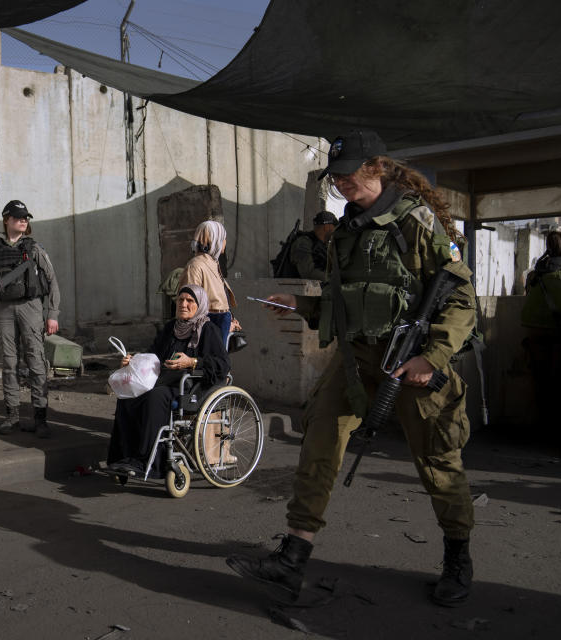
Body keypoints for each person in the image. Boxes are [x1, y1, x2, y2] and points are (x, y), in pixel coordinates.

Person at [227, 130, 478, 607]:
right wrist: (300, 303)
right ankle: (292, 558)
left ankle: (458, 557)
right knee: (318, 442)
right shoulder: (346, 229)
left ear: (376, 168)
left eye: (348, 175)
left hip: (412, 361)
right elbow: (345, 304)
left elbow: (461, 298)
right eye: (335, 177)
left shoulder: (416, 222)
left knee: (437, 461)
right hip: (356, 359)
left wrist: (434, 357)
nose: (341, 184)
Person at [107, 284, 230, 477]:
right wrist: (133, 360)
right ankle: (124, 458)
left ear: (200, 305)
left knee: (155, 397)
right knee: (127, 397)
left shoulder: (207, 329)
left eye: (190, 301)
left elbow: (222, 365)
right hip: (163, 381)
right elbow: (152, 355)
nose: (183, 304)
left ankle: (145, 460)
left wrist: (191, 361)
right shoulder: (170, 328)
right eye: (180, 300)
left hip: (192, 387)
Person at [0, 200, 61, 437]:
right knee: (9, 363)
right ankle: (12, 417)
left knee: (36, 362)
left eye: (26, 217)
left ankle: (40, 418)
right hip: (3, 309)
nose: (23, 220)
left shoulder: (33, 248)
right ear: (6, 219)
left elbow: (52, 280)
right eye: (18, 217)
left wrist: (53, 314)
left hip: (30, 308)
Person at [520, 228, 561, 444]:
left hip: (532, 331)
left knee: (539, 382)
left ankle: (541, 429)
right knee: (556, 384)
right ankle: (554, 432)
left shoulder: (536, 272)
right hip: (555, 334)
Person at [178, 220, 241, 345]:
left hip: (219, 323)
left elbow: (218, 297)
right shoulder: (196, 265)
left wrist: (230, 320)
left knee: (220, 362)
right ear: (214, 240)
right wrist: (214, 327)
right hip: (208, 325)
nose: (225, 242)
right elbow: (190, 305)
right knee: (212, 362)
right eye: (223, 238)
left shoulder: (212, 263)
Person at [288, 210, 338, 280]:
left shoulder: (324, 247)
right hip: (294, 289)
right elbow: (308, 273)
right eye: (335, 227)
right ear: (326, 227)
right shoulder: (303, 243)